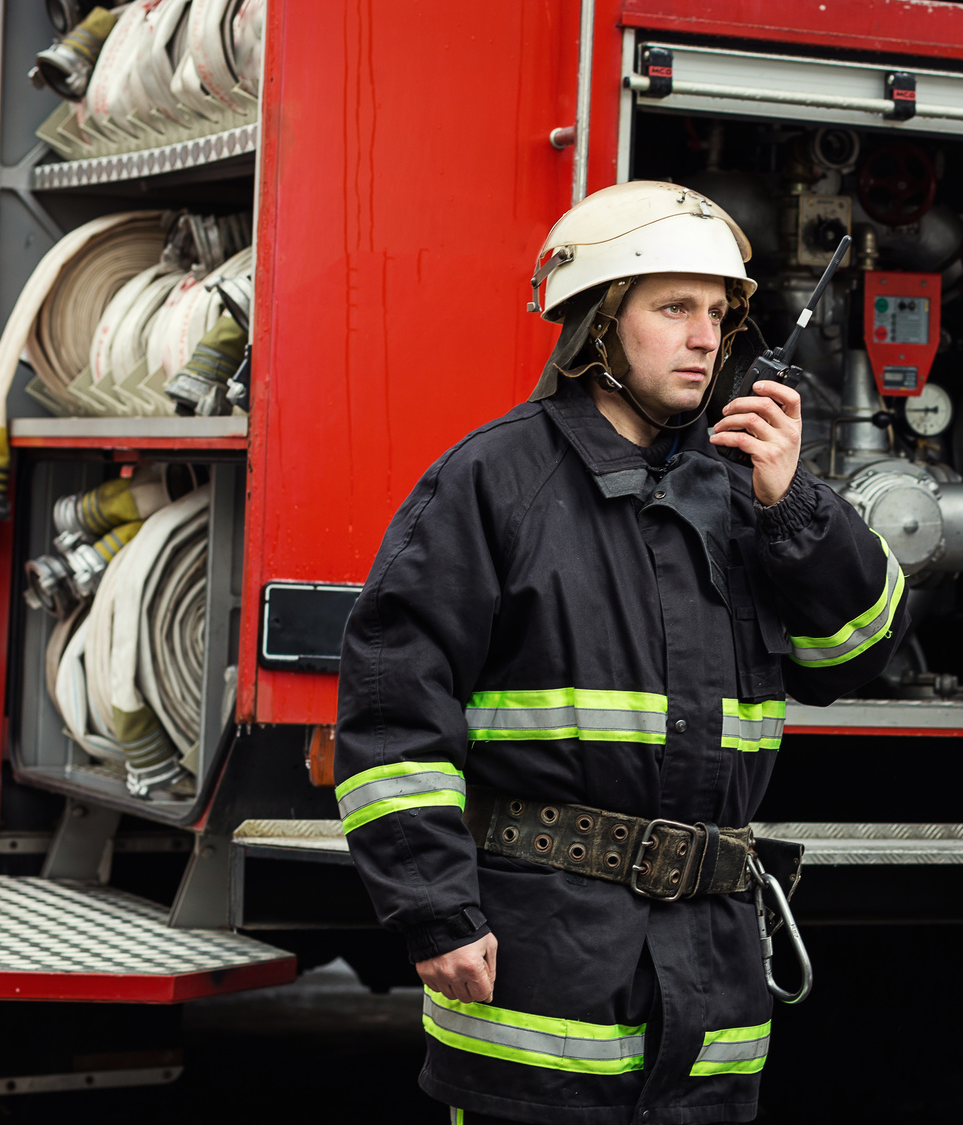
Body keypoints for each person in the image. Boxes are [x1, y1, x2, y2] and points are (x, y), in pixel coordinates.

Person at [333, 180, 907, 1125]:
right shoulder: (494, 480)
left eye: (718, 314)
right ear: (599, 324)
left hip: (712, 984)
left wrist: (795, 504)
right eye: (673, 307)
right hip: (545, 971)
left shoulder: (749, 493)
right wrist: (434, 908)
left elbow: (854, 653)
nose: (703, 337)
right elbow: (395, 709)